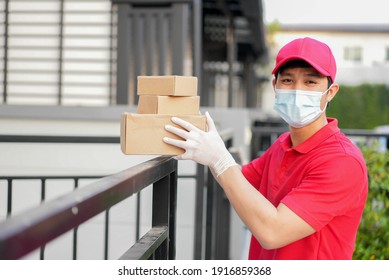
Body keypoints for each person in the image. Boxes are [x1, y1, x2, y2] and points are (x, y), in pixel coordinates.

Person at [163, 37, 368, 260]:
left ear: (330, 92)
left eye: (310, 82)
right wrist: (201, 146)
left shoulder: (342, 161)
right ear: (275, 86)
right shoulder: (283, 144)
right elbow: (239, 181)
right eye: (288, 80)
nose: (298, 90)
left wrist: (220, 158)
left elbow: (272, 231)